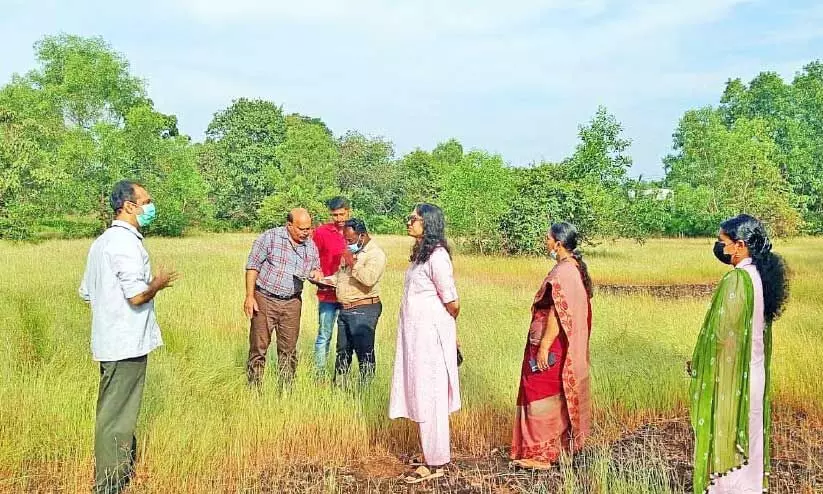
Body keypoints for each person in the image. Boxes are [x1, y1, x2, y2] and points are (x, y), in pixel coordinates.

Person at [79, 180, 179, 494]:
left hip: (112, 340)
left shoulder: (102, 242)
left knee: (117, 412)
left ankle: (123, 473)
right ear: (129, 206)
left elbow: (85, 292)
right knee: (116, 419)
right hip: (125, 344)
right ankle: (108, 486)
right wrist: (157, 284)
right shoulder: (124, 243)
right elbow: (136, 296)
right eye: (146, 201)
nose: (150, 206)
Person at [689, 214, 788, 494]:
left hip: (735, 374)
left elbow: (723, 337)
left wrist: (700, 362)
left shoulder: (737, 280)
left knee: (729, 431)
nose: (720, 247)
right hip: (754, 373)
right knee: (750, 433)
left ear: (740, 245)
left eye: (723, 241)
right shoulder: (758, 277)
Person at [510, 222, 593, 470]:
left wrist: (544, 345)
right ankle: (557, 450)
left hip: (550, 345)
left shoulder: (563, 273)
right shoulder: (572, 269)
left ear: (558, 243)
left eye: (547, 238)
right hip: (554, 344)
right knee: (553, 394)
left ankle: (540, 455)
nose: (545, 241)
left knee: (538, 393)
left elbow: (558, 312)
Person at [389, 203, 460, 484]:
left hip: (429, 340)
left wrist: (443, 331)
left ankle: (436, 462)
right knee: (420, 392)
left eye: (414, 219)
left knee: (430, 396)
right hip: (416, 339)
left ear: (428, 223)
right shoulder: (420, 255)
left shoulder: (438, 257)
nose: (409, 222)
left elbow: (452, 302)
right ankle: (429, 453)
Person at [244, 208, 322, 386]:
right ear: (289, 225)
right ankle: (254, 388)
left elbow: (315, 268)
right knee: (259, 346)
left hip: (292, 302)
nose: (306, 233)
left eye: (309, 229)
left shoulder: (310, 245)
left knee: (288, 348)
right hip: (265, 299)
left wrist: (317, 274)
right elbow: (252, 266)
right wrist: (250, 296)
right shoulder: (270, 237)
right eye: (302, 229)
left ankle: (286, 389)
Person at [332, 218, 387, 383]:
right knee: (342, 350)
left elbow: (369, 279)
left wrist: (353, 263)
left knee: (364, 352)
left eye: (350, 239)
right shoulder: (351, 252)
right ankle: (340, 388)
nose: (347, 243)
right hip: (345, 309)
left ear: (362, 236)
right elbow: (340, 277)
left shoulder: (376, 254)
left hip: (364, 309)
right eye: (345, 240)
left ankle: (366, 390)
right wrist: (323, 279)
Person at [312, 197, 350, 375]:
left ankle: (341, 374)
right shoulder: (321, 232)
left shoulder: (355, 230)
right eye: (335, 215)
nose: (339, 218)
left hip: (350, 294)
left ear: (348, 212)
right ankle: (319, 374)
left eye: (342, 214)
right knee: (324, 336)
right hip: (327, 294)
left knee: (346, 338)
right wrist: (316, 272)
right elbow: (312, 255)